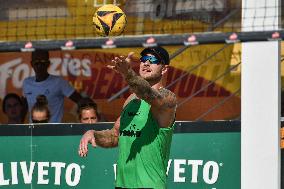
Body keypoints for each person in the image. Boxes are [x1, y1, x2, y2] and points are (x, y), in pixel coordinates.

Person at [78, 46, 177, 188]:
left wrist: (128, 73)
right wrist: (94, 134)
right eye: (143, 59)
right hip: (122, 185)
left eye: (152, 60)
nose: (146, 63)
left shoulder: (168, 99)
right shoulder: (131, 100)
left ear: (164, 69)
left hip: (149, 185)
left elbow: (148, 94)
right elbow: (115, 136)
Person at [23, 49, 83, 123]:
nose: (39, 65)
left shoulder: (59, 82)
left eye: (43, 62)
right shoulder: (27, 83)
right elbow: (24, 107)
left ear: (48, 63)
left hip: (55, 131)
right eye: (36, 62)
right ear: (31, 64)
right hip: (33, 132)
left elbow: (81, 101)